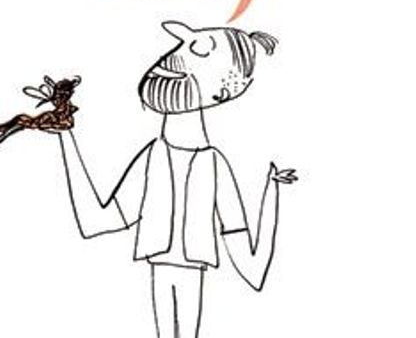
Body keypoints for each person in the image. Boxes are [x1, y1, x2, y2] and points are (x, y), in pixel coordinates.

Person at [56, 21, 298, 338]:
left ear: (224, 91)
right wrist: (65, 134)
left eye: (201, 50)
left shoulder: (213, 164)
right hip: (162, 264)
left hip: (190, 268)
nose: (176, 55)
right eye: (183, 43)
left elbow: (252, 265)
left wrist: (272, 191)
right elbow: (96, 222)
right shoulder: (153, 156)